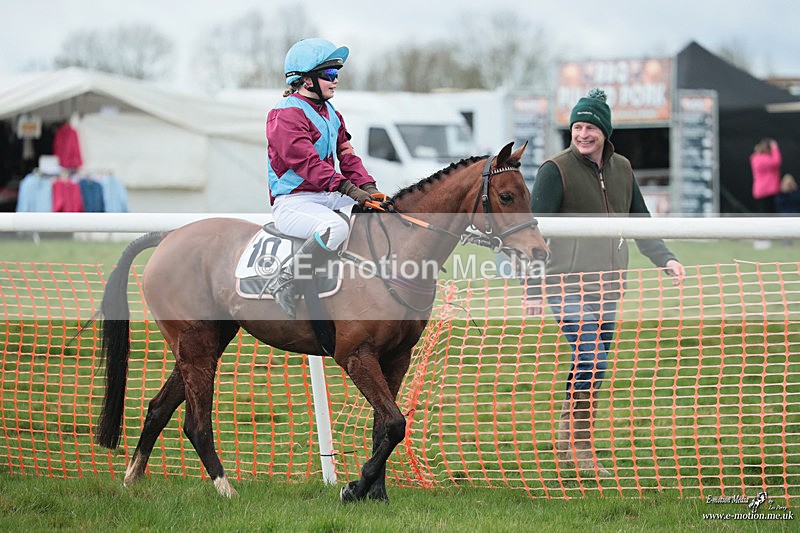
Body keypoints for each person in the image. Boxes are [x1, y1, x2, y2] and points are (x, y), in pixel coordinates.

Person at [523, 88, 685, 476]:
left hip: (609, 287)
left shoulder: (623, 169)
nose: (582, 134)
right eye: (577, 126)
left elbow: (640, 223)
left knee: (593, 363)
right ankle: (580, 447)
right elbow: (532, 234)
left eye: (590, 127)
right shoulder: (554, 170)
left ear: (604, 132)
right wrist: (531, 289)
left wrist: (666, 259)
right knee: (592, 358)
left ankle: (567, 433)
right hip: (565, 285)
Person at [266, 38, 385, 318]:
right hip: (294, 202)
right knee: (336, 229)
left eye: (337, 75)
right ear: (306, 81)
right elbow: (306, 163)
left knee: (375, 219)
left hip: (328, 196)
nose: (336, 81)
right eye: (330, 75)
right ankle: (286, 279)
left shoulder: (332, 113)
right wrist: (349, 189)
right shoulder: (284, 115)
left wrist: (369, 188)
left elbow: (348, 157)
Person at [749, 138, 782, 249]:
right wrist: (775, 148)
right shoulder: (762, 159)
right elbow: (776, 162)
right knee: (765, 216)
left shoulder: (755, 158)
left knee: (766, 215)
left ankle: (765, 238)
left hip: (762, 191)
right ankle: (762, 239)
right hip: (766, 191)